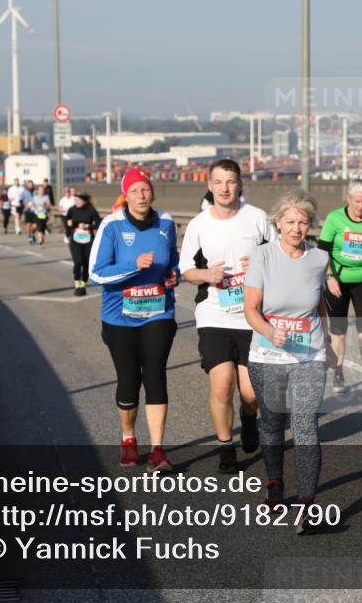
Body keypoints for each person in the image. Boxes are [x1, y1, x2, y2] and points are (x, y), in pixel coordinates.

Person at [243, 189, 330, 533]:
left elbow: (318, 304)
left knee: (306, 424)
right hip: (268, 354)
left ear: (310, 225)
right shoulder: (263, 255)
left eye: (303, 222)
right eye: (290, 221)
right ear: (278, 223)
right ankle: (275, 484)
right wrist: (269, 330)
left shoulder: (320, 259)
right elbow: (251, 308)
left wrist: (330, 343)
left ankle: (307, 504)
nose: (296, 228)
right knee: (272, 423)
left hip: (310, 354)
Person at [180, 160, 272, 473]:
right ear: (209, 185)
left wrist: (259, 264)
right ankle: (225, 447)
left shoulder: (257, 218)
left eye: (230, 181)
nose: (224, 188)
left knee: (251, 393)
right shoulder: (199, 224)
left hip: (251, 315)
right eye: (218, 182)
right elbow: (186, 270)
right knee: (222, 386)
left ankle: (249, 418)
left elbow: (280, 257)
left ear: (240, 184)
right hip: (213, 314)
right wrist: (207, 274)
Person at [90, 169, 180, 472]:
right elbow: (96, 273)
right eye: (134, 191)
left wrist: (174, 274)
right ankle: (128, 439)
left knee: (155, 374)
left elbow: (173, 258)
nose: (141, 196)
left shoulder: (166, 221)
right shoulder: (112, 225)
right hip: (119, 316)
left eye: (145, 189)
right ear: (125, 195)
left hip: (158, 311)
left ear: (152, 192)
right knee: (129, 378)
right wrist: (133, 265)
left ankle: (157, 450)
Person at [317, 179, 362, 395]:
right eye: (357, 202)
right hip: (337, 279)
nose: (361, 206)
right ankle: (338, 375)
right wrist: (329, 276)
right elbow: (322, 251)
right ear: (348, 199)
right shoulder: (335, 218)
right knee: (338, 330)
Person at [65, 191, 100, 295]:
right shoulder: (72, 209)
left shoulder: (91, 210)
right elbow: (67, 221)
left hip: (88, 240)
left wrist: (88, 226)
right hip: (75, 239)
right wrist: (68, 231)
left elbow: (98, 224)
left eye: (78, 200)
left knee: (86, 263)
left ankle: (83, 284)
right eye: (75, 199)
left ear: (84, 201)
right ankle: (77, 283)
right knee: (78, 262)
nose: (76, 201)